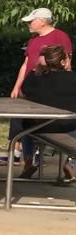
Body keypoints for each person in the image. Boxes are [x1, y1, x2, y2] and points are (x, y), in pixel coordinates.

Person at [19, 44, 76, 182]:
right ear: (63, 61)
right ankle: (69, 163)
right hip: (69, 126)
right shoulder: (73, 78)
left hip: (38, 127)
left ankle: (29, 160)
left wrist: (38, 70)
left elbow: (23, 92)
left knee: (23, 121)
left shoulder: (34, 77)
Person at [10, 8, 73, 98]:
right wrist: (16, 87)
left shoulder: (60, 36)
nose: (28, 24)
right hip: (29, 89)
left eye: (31, 21)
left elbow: (67, 65)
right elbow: (25, 64)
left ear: (43, 22)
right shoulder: (33, 39)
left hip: (49, 90)